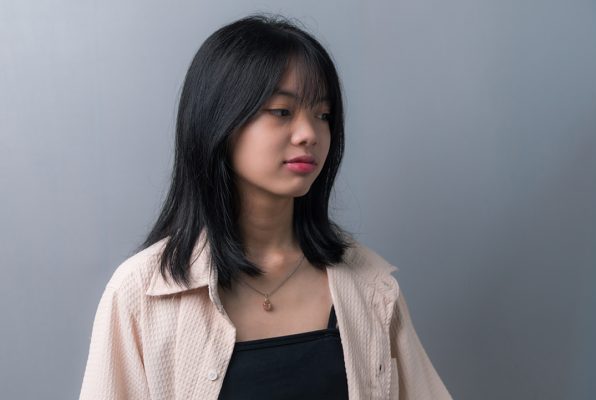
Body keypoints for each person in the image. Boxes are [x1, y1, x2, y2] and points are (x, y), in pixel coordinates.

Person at [79, 13, 452, 400]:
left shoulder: (370, 287)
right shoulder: (142, 294)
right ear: (219, 120)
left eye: (323, 115)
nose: (309, 134)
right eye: (282, 111)